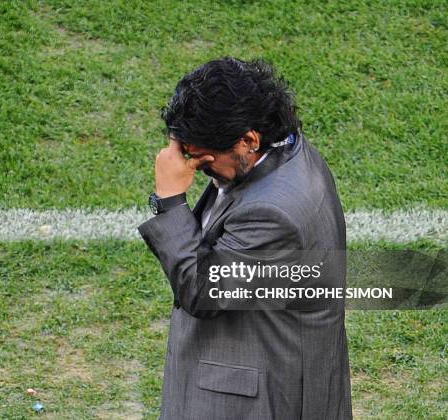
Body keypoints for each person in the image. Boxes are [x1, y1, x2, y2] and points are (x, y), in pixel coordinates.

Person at [138, 57, 352, 419]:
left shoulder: (272, 214)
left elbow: (203, 291)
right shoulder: (286, 152)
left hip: (255, 399)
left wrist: (171, 201)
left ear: (249, 140)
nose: (193, 166)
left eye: (204, 159)